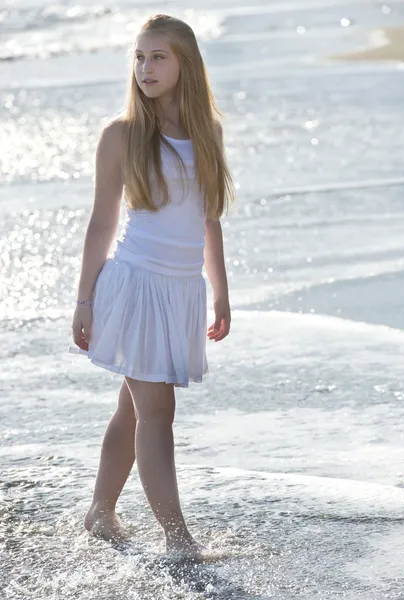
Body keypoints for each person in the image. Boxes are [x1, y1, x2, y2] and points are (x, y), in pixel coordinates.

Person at [68, 13, 235, 558]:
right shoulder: (122, 135)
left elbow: (208, 219)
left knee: (132, 408)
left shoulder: (206, 132)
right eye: (139, 57)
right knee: (157, 412)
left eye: (158, 56)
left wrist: (221, 291)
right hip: (135, 287)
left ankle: (99, 511)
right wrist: (85, 298)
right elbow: (101, 223)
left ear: (186, 63)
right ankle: (178, 538)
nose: (146, 67)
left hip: (180, 290)